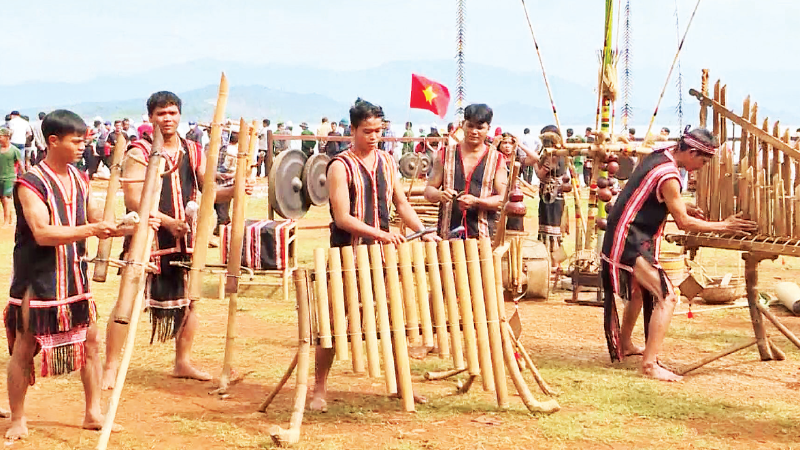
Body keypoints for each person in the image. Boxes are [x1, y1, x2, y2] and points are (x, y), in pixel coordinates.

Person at [4, 109, 157, 440]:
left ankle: (93, 413)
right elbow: (43, 233)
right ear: (54, 141)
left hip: (74, 276)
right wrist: (93, 228)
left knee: (91, 343)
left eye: (85, 141)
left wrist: (129, 226)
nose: (83, 147)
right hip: (39, 278)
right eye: (77, 141)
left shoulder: (79, 178)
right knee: (26, 346)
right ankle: (18, 418)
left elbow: (93, 218)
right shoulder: (30, 183)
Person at [101, 91, 249, 389]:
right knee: (127, 302)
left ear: (179, 115)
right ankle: (110, 367)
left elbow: (209, 192)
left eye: (172, 113)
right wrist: (169, 222)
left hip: (185, 240)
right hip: (149, 239)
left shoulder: (192, 150)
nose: (167, 119)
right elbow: (133, 199)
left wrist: (235, 189)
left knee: (190, 302)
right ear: (151, 117)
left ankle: (182, 362)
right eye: (161, 114)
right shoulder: (138, 152)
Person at [602, 128, 756, 382]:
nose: (702, 167)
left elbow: (656, 199)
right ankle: (650, 365)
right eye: (703, 161)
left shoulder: (660, 155)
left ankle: (626, 344)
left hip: (628, 234)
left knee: (640, 291)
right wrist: (725, 226)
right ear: (692, 152)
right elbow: (683, 222)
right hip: (628, 240)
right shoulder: (669, 175)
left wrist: (682, 206)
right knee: (668, 296)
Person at [312, 98, 435, 411]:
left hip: (381, 258)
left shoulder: (387, 162)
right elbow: (342, 218)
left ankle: (399, 385)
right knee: (335, 323)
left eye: (379, 130)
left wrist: (423, 230)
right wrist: (382, 234)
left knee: (395, 320)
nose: (374, 136)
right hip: (347, 256)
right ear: (352, 129)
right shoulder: (339, 166)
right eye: (367, 130)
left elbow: (402, 204)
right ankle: (318, 389)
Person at [425, 103, 508, 239]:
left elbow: (503, 200)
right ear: (463, 124)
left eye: (480, 128)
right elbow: (428, 191)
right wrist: (440, 195)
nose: (474, 131)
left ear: (488, 129)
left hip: (482, 237)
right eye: (470, 126)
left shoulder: (497, 159)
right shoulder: (444, 155)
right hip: (448, 236)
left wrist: (477, 202)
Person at [533, 125, 568, 265]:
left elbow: (541, 175)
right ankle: (552, 262)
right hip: (552, 196)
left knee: (551, 231)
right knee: (550, 230)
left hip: (551, 197)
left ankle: (553, 263)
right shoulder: (560, 153)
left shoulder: (553, 155)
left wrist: (535, 161)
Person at [0, 128, 23, 225]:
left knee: (6, 198)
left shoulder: (14, 150)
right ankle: (10, 218)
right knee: (2, 199)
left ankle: (6, 220)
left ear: (7, 137)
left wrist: (24, 176)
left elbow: (20, 164)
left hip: (9, 178)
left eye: (0, 136)